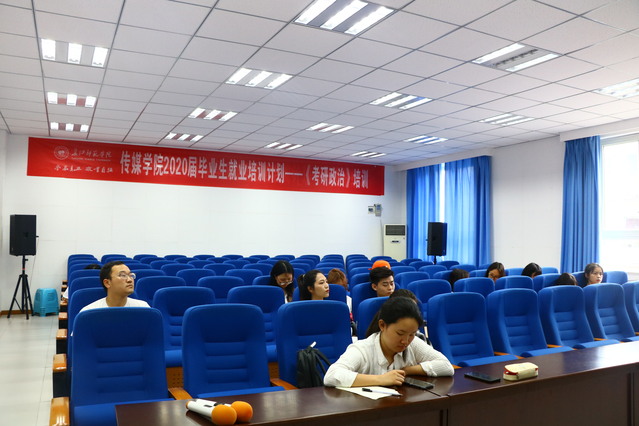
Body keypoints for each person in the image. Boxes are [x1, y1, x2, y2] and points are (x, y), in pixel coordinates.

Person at [323, 297, 454, 387]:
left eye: (412, 334)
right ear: (382, 325)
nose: (405, 341)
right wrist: (381, 379)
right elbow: (332, 376)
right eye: (400, 333)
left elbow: (446, 366)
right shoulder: (363, 349)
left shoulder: (413, 344)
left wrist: (406, 370)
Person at [80, 261, 149, 311]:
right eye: (123, 275)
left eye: (131, 275)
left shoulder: (143, 308)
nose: (129, 280)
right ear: (107, 283)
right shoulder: (89, 312)